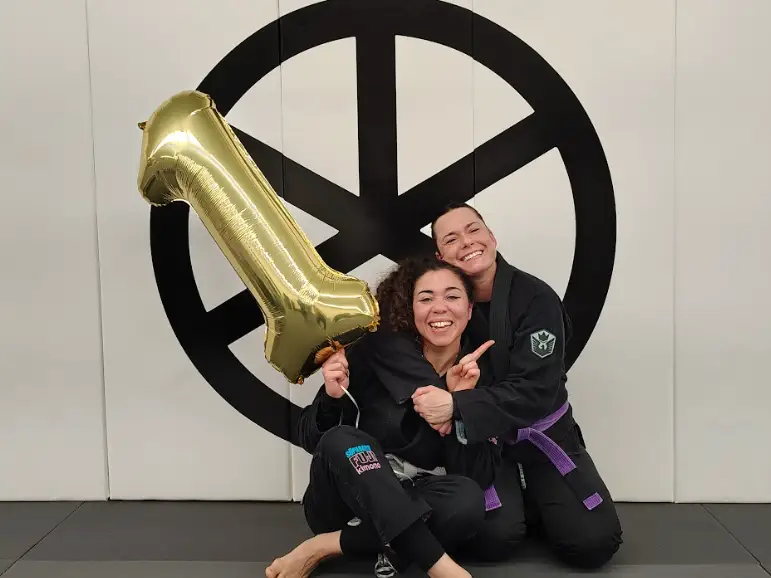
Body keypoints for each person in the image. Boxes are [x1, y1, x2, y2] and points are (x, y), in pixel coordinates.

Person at [375, 202, 623, 569]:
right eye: (452, 239)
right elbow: (394, 342)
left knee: (593, 544)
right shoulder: (444, 303)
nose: (467, 242)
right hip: (484, 442)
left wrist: (456, 406)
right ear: (440, 255)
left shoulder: (536, 299)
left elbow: (536, 391)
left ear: (491, 237)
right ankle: (523, 503)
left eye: (474, 230)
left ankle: (539, 499)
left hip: (545, 435)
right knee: (491, 541)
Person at [266, 257, 501, 578]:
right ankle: (443, 569)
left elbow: (477, 475)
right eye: (426, 298)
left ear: (470, 309)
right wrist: (333, 398)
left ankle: (324, 547)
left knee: (467, 502)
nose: (440, 308)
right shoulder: (376, 352)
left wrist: (461, 405)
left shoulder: (479, 372)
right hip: (344, 500)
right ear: (410, 309)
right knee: (342, 438)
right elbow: (312, 438)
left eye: (452, 296)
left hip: (410, 495)